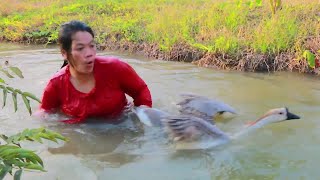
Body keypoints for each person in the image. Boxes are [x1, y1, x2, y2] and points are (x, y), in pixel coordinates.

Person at [38, 20, 152, 124]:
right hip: (81, 133)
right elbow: (44, 112)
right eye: (80, 48)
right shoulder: (56, 84)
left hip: (120, 125)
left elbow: (140, 91)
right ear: (64, 53)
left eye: (92, 46)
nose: (89, 53)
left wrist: (142, 111)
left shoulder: (115, 68)